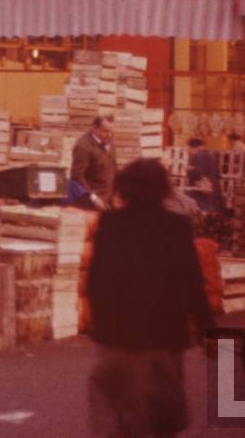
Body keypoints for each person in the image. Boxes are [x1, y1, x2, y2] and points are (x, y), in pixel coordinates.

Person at [86, 158, 212, 438]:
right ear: (163, 188)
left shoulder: (110, 224)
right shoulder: (177, 226)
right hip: (165, 338)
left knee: (123, 415)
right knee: (164, 417)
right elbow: (192, 280)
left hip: (120, 338)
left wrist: (101, 327)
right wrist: (206, 326)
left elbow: (97, 281)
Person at [71, 116, 117, 210]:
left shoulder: (108, 140)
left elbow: (113, 167)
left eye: (112, 131)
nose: (109, 135)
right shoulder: (83, 146)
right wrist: (93, 197)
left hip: (109, 196)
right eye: (105, 131)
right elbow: (77, 176)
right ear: (95, 128)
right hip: (94, 200)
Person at [184, 137, 225, 214]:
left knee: (201, 213)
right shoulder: (210, 154)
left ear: (194, 147)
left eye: (189, 149)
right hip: (213, 189)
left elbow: (196, 174)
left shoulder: (197, 156)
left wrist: (188, 170)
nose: (190, 151)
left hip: (201, 191)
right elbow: (218, 174)